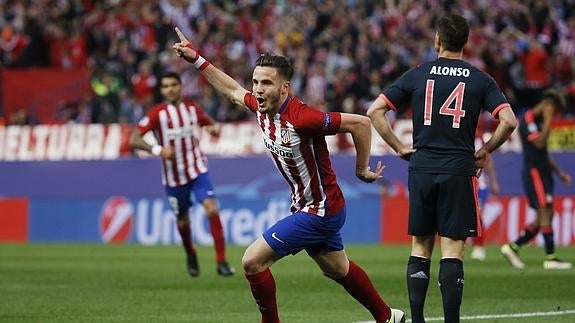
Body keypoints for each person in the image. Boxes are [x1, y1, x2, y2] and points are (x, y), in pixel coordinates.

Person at [172, 27, 405, 323]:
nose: (258, 89)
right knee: (336, 269)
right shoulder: (260, 107)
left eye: (266, 83)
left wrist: (361, 168)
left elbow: (360, 124)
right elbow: (231, 90)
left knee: (252, 261)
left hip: (320, 210)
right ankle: (387, 317)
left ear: (285, 88)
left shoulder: (302, 118)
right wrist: (197, 60)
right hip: (310, 205)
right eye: (255, 82)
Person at [367, 14, 517, 323]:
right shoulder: (480, 78)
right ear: (467, 42)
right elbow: (509, 121)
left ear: (437, 40)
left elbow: (375, 110)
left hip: (421, 167)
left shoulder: (418, 74)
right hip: (458, 168)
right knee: (453, 250)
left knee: (420, 246)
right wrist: (485, 150)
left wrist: (397, 146)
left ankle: (419, 319)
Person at [129, 71, 235, 278]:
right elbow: (134, 139)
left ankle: (222, 261)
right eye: (166, 86)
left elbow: (209, 122)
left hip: (197, 170)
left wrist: (214, 128)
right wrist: (158, 150)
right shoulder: (156, 114)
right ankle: (190, 253)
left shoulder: (192, 109)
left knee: (212, 209)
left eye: (173, 85)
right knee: (183, 221)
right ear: (161, 90)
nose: (170, 89)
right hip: (174, 178)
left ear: (180, 87)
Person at [500, 89, 572, 270]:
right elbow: (539, 143)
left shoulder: (538, 121)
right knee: (545, 211)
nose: (553, 115)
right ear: (548, 106)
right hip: (534, 172)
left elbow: (543, 153)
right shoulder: (529, 119)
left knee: (544, 216)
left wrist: (559, 172)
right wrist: (549, 120)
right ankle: (551, 257)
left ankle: (512, 246)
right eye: (553, 111)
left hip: (543, 171)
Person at [470, 132, 500, 261]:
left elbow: (488, 159)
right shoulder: (459, 134)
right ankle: (465, 244)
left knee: (477, 214)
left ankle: (479, 247)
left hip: (479, 183)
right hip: (463, 181)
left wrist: (494, 181)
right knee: (464, 215)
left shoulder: (479, 137)